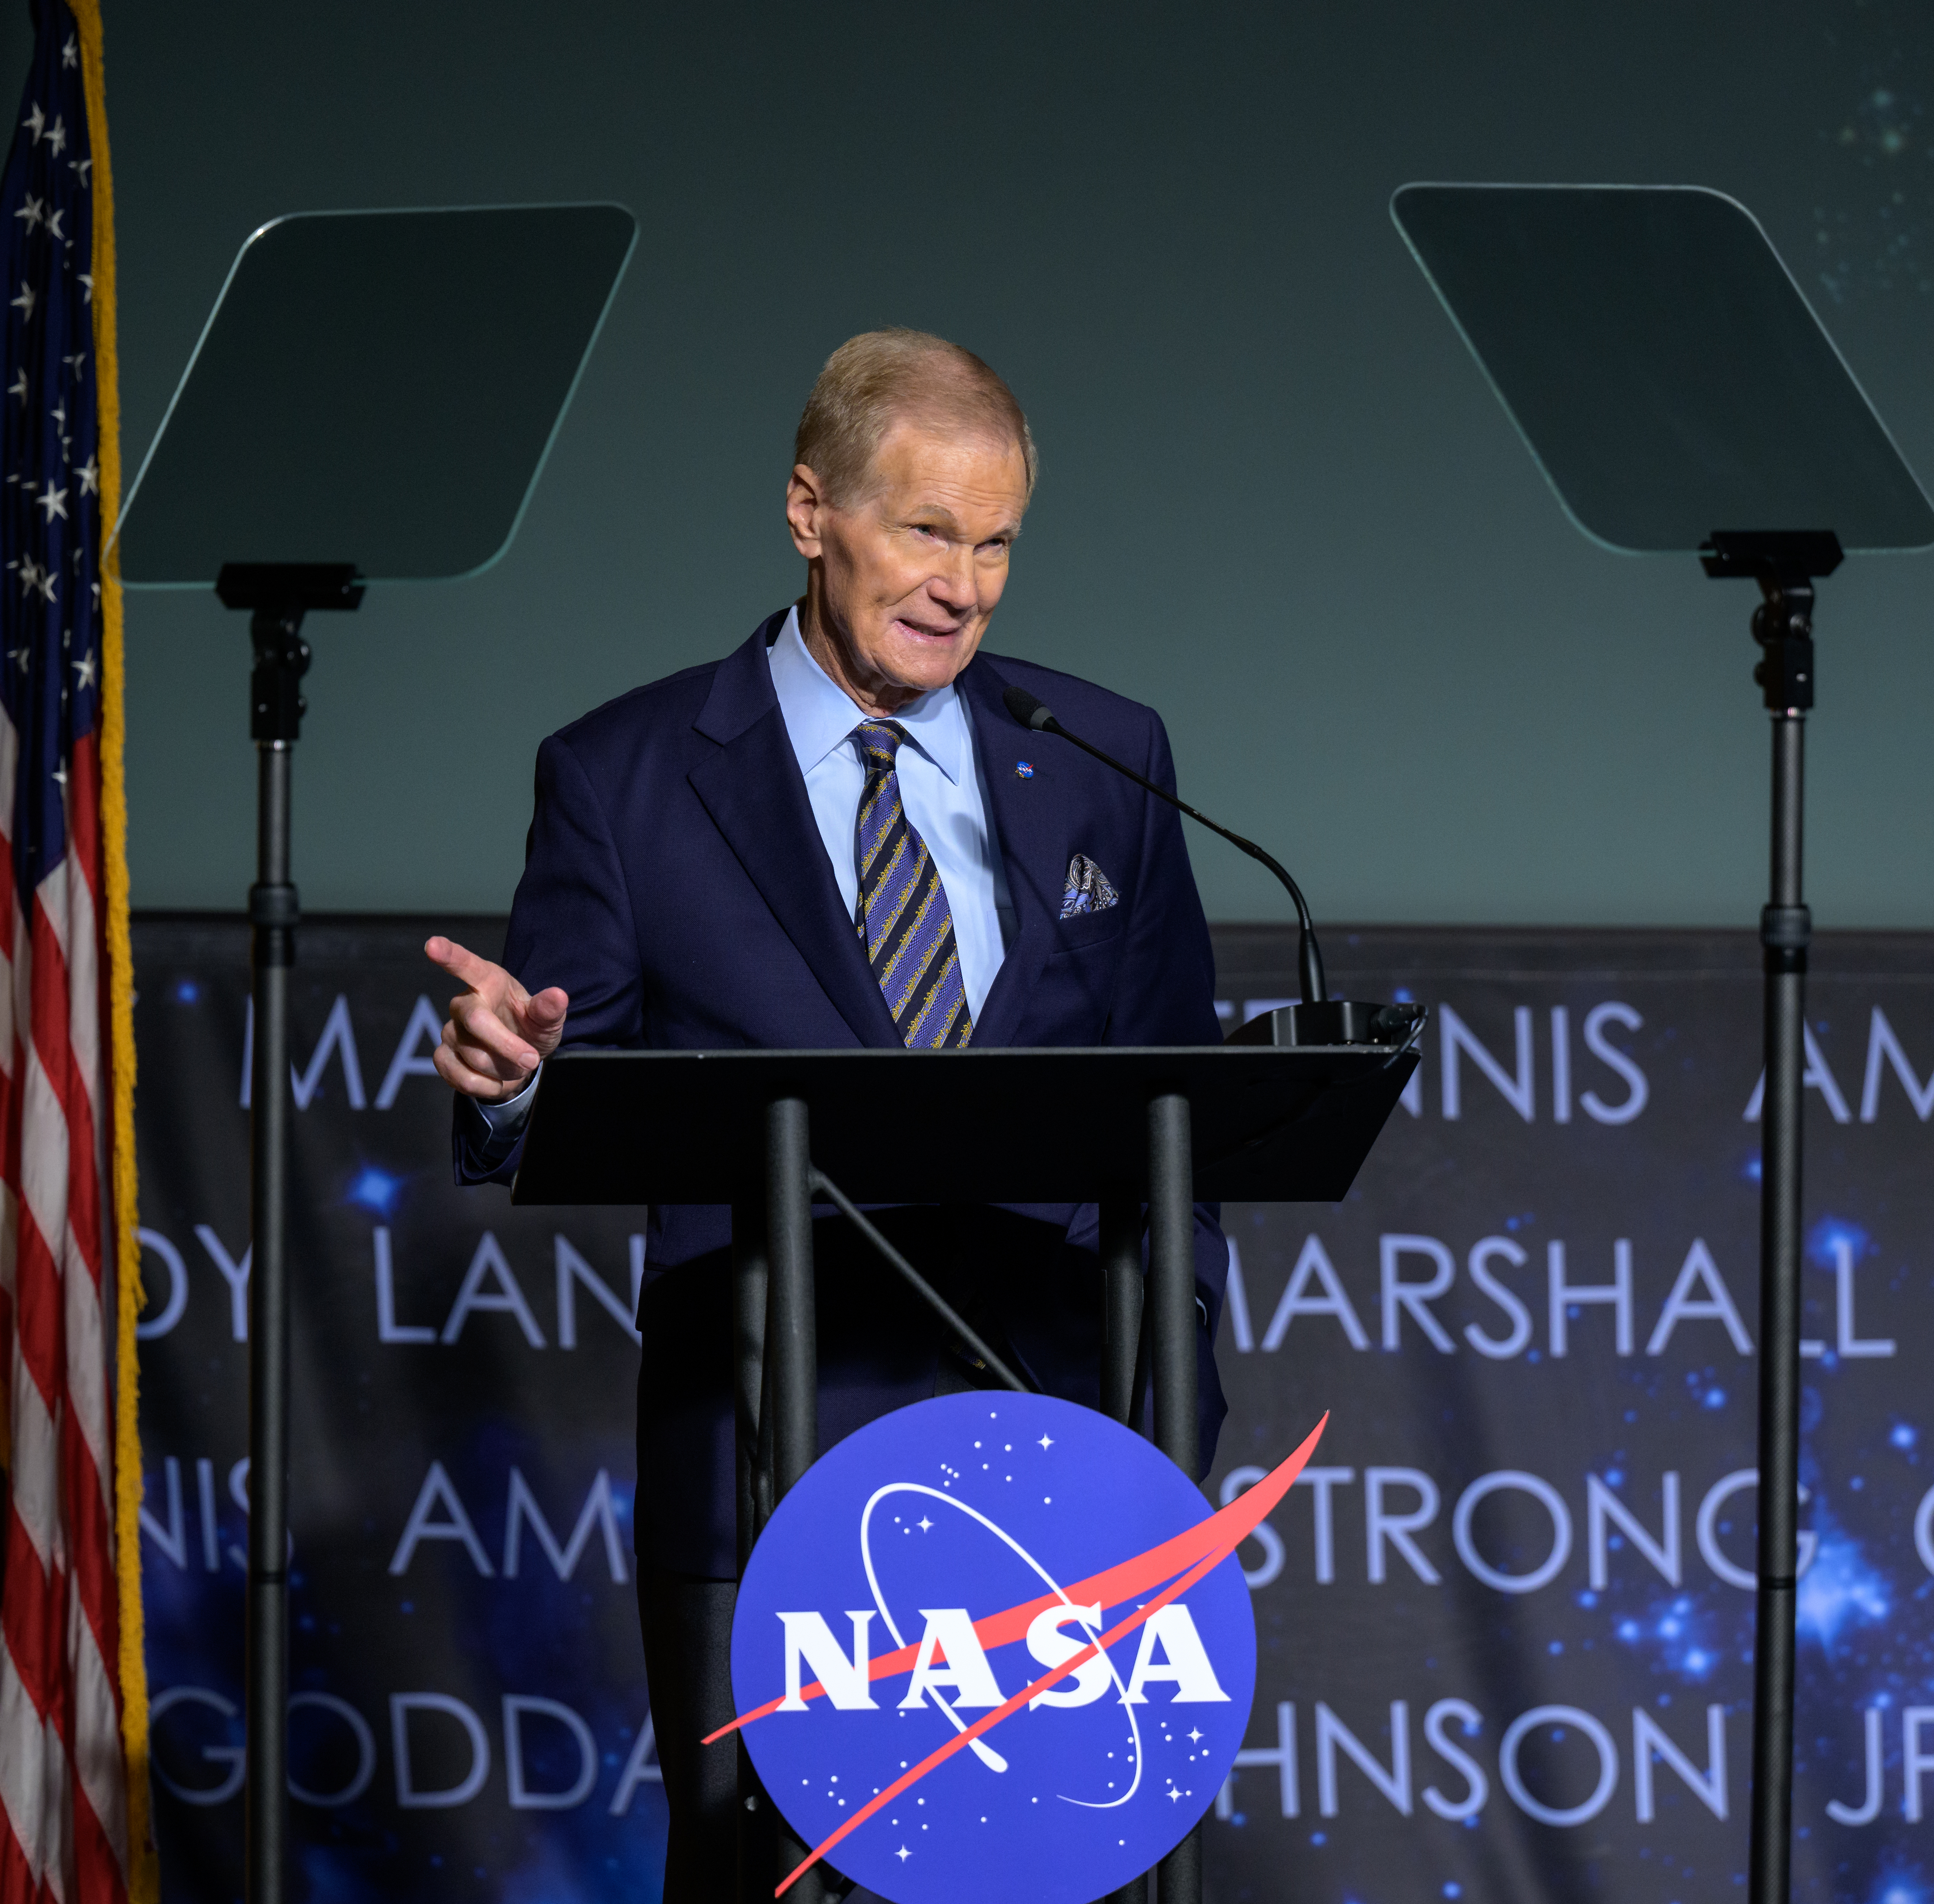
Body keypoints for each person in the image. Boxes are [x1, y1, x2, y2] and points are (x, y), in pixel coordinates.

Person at [428, 329, 1230, 1899]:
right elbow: (549, 1065)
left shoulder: (1104, 760)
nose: (967, 584)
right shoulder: (627, 775)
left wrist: (1172, 1431)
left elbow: (1174, 1110)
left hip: (1063, 1478)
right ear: (811, 511)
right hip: (768, 1472)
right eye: (927, 529)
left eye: (997, 541)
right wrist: (519, 1088)